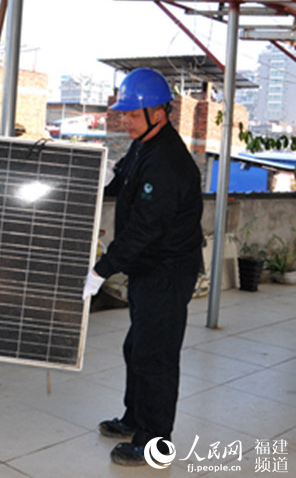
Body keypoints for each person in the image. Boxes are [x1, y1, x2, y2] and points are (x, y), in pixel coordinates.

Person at [82, 68, 203, 466]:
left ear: (158, 113)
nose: (126, 121)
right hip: (149, 269)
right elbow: (122, 182)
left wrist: (101, 270)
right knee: (137, 347)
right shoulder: (144, 146)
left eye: (133, 114)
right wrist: (97, 179)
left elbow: (143, 230)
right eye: (124, 113)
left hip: (167, 271)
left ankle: (155, 442)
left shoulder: (168, 162)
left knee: (156, 356)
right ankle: (135, 419)